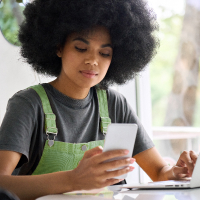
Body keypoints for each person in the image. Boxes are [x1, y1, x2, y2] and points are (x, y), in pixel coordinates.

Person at [0, 0, 198, 200]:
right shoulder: (27, 104)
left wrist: (178, 171)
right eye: (80, 48)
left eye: (104, 53)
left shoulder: (115, 104)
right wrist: (73, 179)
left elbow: (159, 172)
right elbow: (1, 183)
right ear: (58, 47)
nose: (93, 60)